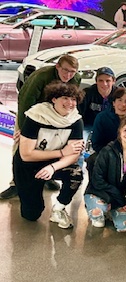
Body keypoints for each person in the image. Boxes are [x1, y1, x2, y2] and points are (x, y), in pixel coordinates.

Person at [1, 54, 81, 200]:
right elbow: (25, 101)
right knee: (20, 148)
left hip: (55, 118)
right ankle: (15, 184)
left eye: (72, 72)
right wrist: (24, 129)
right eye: (65, 70)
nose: (68, 75)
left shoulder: (75, 79)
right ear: (57, 66)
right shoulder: (41, 77)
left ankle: (47, 177)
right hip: (31, 114)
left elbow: (71, 101)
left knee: (51, 146)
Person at [12, 81, 84, 228]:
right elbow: (26, 154)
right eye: (65, 98)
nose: (70, 103)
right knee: (31, 214)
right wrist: (62, 152)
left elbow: (74, 155)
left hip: (53, 162)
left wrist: (52, 167)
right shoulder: (36, 116)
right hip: (28, 165)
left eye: (73, 99)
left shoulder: (75, 120)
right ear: (54, 99)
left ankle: (58, 209)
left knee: (76, 174)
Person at [84, 118, 126, 232]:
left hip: (121, 197)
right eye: (125, 130)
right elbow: (97, 181)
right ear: (120, 132)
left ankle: (112, 210)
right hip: (101, 192)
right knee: (98, 217)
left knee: (125, 227)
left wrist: (125, 200)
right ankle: (100, 208)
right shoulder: (107, 151)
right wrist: (118, 200)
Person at [90, 87, 126, 154]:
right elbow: (96, 144)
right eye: (120, 100)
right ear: (114, 103)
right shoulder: (102, 118)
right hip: (106, 155)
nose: (123, 104)